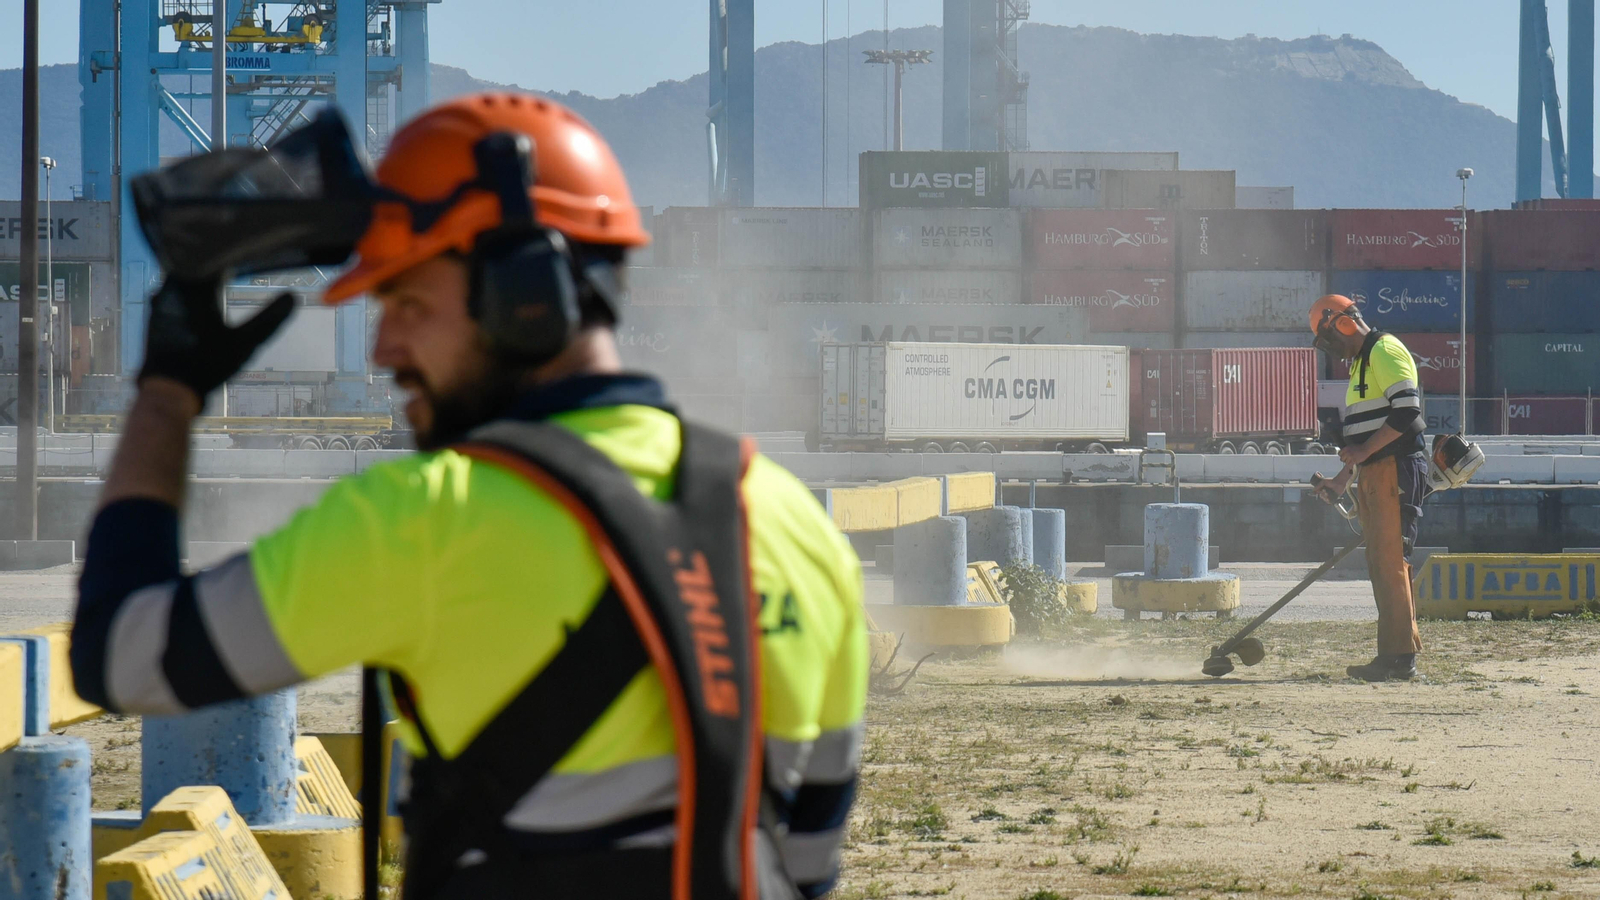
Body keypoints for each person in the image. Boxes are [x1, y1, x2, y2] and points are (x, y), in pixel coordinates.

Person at [70, 92, 867, 900]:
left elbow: (121, 657)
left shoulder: (420, 521)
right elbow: (807, 864)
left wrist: (168, 393)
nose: (383, 347)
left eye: (409, 303)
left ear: (527, 297)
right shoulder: (797, 525)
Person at [1308, 294, 1427, 682]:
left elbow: (1408, 411)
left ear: (1342, 323)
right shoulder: (1360, 364)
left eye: (1329, 338)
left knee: (1391, 561)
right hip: (1377, 472)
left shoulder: (1384, 349)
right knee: (1380, 562)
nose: (1331, 348)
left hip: (1396, 469)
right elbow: (1364, 444)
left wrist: (1362, 452)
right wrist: (1341, 481)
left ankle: (1400, 659)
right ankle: (1391, 654)